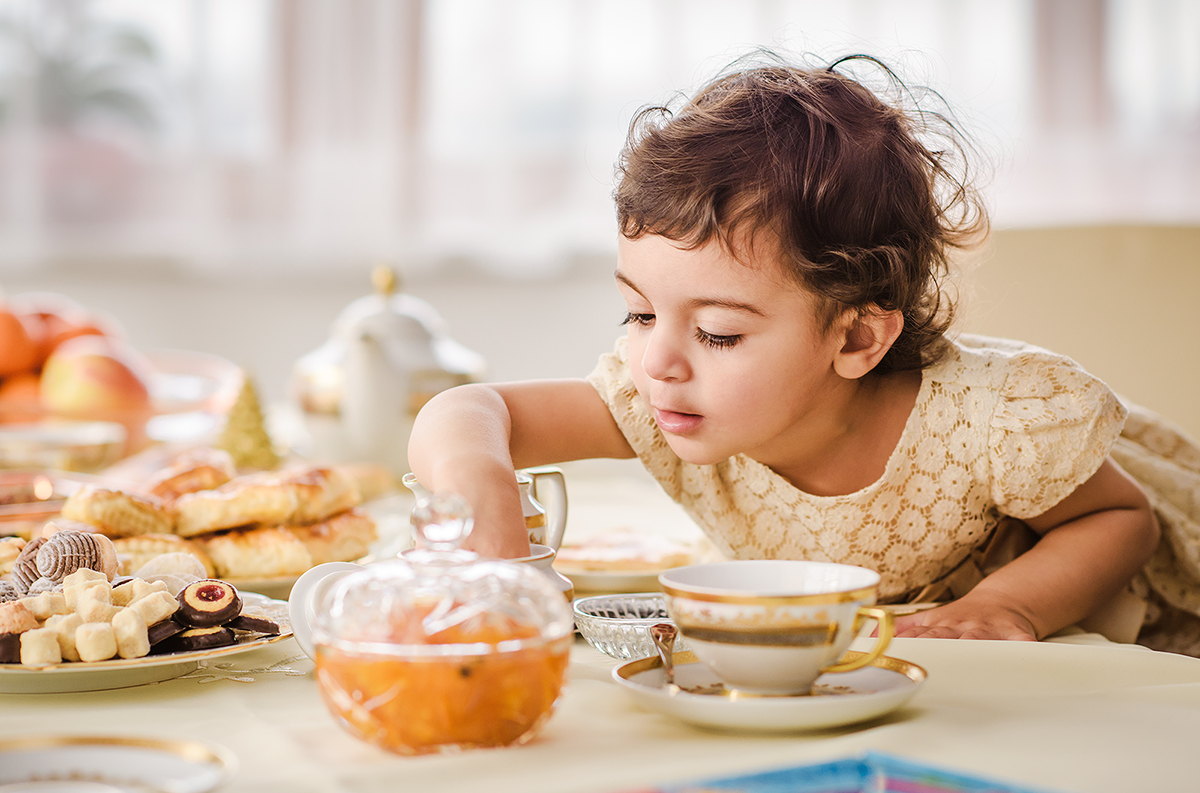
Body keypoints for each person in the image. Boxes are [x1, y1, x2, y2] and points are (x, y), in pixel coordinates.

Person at [409, 52, 1200, 654]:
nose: (657, 361)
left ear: (855, 337)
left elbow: (1119, 519)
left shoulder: (997, 423)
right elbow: (471, 410)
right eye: (639, 313)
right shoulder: (666, 395)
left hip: (1138, 623)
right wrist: (482, 491)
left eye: (718, 331)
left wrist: (1010, 606)